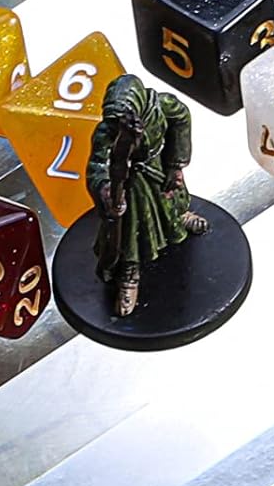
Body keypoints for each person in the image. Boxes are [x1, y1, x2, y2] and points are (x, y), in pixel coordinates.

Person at [85, 74, 211, 317]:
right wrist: (105, 189)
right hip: (130, 186)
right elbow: (97, 166)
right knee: (130, 231)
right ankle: (129, 274)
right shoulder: (106, 131)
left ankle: (180, 218)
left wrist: (175, 164)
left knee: (170, 204)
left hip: (157, 171)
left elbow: (182, 118)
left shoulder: (162, 106)